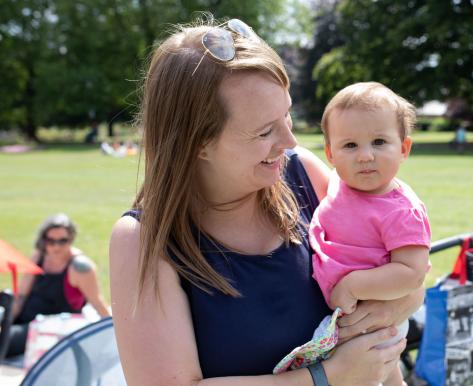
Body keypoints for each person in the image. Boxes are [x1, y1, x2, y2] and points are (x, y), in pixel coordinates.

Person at [108, 17, 423, 386]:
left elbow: (407, 269)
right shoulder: (144, 240)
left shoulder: (303, 174)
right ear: (197, 143)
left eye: (286, 114)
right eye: (264, 131)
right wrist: (327, 378)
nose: (290, 140)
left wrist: (397, 303)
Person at [308, 82, 431, 386]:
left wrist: (353, 286)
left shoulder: (400, 210)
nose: (365, 156)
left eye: (378, 142)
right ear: (331, 154)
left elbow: (411, 272)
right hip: (346, 320)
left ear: (404, 148)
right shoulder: (338, 183)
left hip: (371, 321)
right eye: (350, 145)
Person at [8, 213, 110, 356]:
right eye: (51, 241)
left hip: (47, 328)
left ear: (71, 239)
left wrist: (112, 331)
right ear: (43, 240)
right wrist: (7, 321)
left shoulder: (80, 267)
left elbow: (97, 303)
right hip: (26, 317)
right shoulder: (39, 256)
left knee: (5, 341)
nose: (56, 246)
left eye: (63, 241)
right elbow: (21, 297)